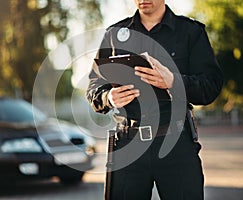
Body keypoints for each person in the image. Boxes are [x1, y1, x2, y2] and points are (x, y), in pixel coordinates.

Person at [86, 0, 223, 199]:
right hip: (127, 146)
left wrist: (173, 81)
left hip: (176, 145)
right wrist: (108, 97)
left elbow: (211, 86)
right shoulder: (114, 34)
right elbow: (93, 86)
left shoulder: (190, 32)